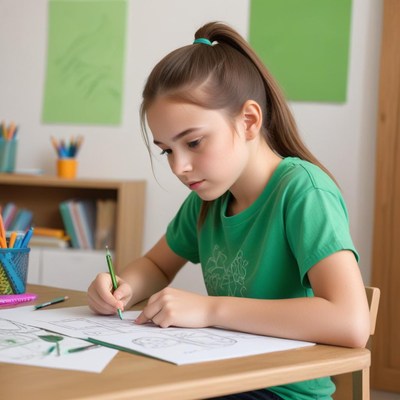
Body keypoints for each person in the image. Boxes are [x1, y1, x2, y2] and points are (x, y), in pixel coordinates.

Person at [88, 21, 370, 400]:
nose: (179, 167)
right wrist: (123, 288)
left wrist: (210, 310)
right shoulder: (208, 200)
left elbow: (351, 321)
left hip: (283, 392)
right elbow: (157, 265)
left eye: (194, 142)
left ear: (249, 120)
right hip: (221, 378)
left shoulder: (303, 191)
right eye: (168, 150)